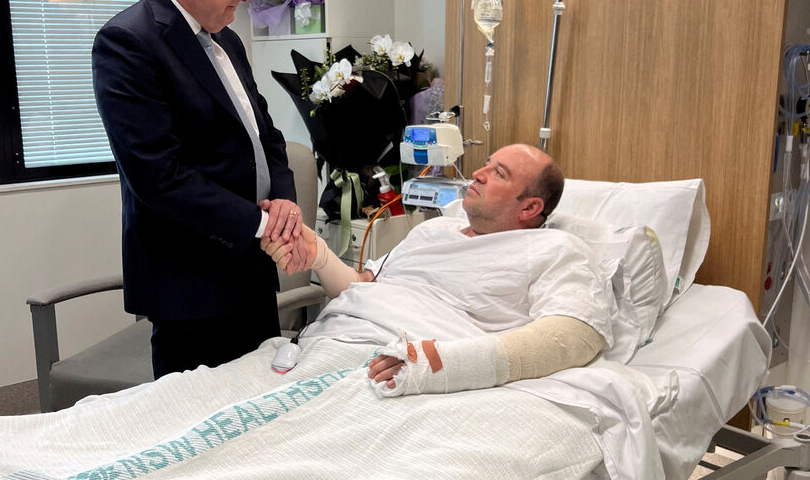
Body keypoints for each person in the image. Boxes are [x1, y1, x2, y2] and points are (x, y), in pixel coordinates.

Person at [262, 144, 617, 396]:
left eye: (499, 173)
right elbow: (362, 286)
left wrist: (438, 365)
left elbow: (573, 337)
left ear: (530, 208)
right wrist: (320, 256)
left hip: (403, 369)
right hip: (328, 344)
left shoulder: (555, 250)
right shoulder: (434, 230)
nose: (477, 173)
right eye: (487, 164)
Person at [92, 0, 307, 379]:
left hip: (252, 270)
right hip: (191, 284)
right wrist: (264, 226)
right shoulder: (128, 40)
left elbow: (267, 138)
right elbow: (158, 176)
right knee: (199, 428)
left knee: (263, 408)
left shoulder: (227, 39)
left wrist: (284, 204)